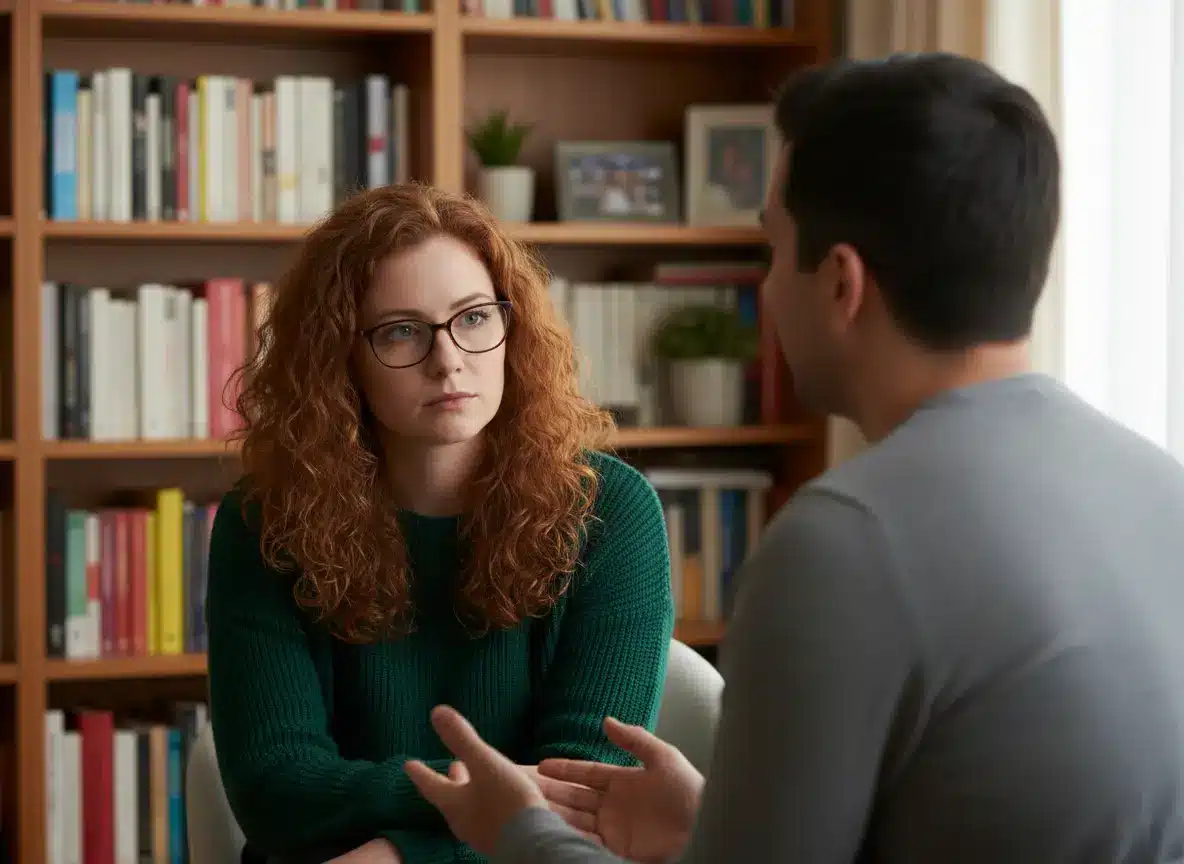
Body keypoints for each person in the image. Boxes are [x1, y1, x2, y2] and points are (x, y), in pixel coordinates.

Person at [401, 53, 1184, 864]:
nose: (767, 289)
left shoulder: (843, 542)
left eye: (772, 248)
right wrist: (716, 825)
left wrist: (519, 830)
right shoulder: (1161, 488)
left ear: (841, 282)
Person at [204, 184, 675, 864]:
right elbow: (276, 792)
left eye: (474, 318)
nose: (449, 359)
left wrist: (397, 857)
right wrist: (484, 806)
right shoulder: (263, 524)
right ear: (341, 359)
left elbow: (584, 801)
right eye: (401, 331)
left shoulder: (610, 512)